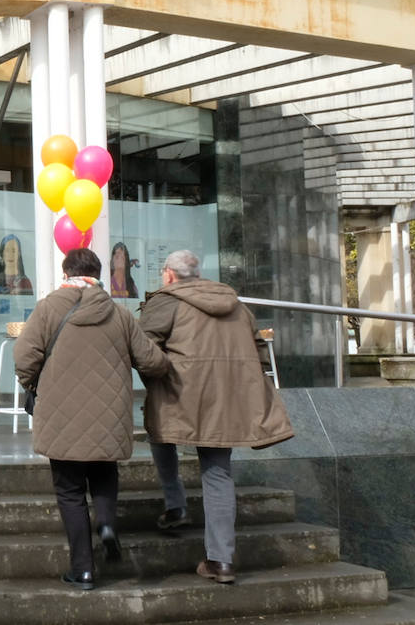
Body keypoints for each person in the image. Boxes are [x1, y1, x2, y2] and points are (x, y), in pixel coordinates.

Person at [14, 248, 172, 591]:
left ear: (66, 272)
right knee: (103, 472)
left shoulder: (48, 308)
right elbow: (151, 361)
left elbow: (24, 356)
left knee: (69, 490)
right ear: (98, 272)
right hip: (109, 415)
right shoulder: (119, 312)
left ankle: (83, 570)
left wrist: (33, 384)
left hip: (61, 414)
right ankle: (106, 524)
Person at [140, 249, 294, 585]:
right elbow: (258, 350)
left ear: (168, 274)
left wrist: (159, 373)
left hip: (177, 394)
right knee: (218, 473)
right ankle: (221, 561)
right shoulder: (236, 305)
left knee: (159, 435)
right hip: (227, 400)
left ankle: (175, 505)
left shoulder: (166, 301)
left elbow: (143, 348)